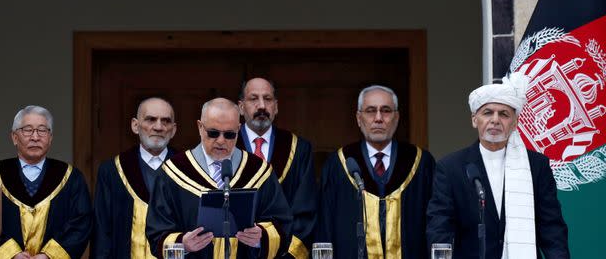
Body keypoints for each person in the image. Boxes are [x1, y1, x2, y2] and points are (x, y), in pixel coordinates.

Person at [426, 75, 569, 258]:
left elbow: (551, 229)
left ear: (515, 123)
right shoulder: (451, 167)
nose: (495, 120)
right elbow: (440, 226)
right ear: (474, 119)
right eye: (487, 112)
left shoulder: (536, 166)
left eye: (504, 114)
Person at [146, 98, 293, 258]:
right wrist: (183, 244)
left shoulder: (258, 171)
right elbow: (156, 235)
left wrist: (261, 237)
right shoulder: (172, 173)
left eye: (229, 134)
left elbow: (283, 226)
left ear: (238, 129)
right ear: (200, 127)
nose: (221, 141)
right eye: (213, 133)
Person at [317, 85, 435, 258]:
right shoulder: (338, 164)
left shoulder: (421, 162)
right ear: (359, 118)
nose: (378, 118)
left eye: (386, 111)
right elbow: (325, 226)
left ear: (397, 117)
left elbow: (435, 224)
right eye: (370, 111)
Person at [0, 105, 92, 259]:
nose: (35, 137)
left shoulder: (71, 177)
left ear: (50, 138)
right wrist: (11, 254)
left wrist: (49, 255)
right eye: (28, 130)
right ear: (14, 137)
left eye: (42, 130)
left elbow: (81, 223)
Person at [237, 77, 317, 259]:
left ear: (276, 106)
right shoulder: (226, 147)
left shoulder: (299, 149)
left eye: (268, 99)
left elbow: (305, 211)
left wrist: (289, 254)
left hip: (284, 252)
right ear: (241, 107)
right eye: (253, 99)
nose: (261, 106)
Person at [92, 97, 177, 258]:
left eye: (165, 121)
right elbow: (102, 231)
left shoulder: (186, 167)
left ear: (173, 130)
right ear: (135, 126)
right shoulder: (112, 170)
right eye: (151, 119)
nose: (158, 127)